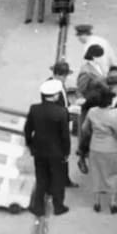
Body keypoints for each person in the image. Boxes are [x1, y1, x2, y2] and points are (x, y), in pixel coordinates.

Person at [24, 79, 72, 217]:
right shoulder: (62, 112)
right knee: (58, 179)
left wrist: (30, 144)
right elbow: (65, 135)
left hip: (39, 150)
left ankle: (38, 207)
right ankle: (58, 206)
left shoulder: (34, 109)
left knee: (41, 178)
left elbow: (28, 129)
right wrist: (66, 152)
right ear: (55, 96)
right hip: (57, 151)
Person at [80, 86, 117, 214]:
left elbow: (84, 128)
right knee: (112, 175)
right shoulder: (112, 116)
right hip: (109, 148)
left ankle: (97, 203)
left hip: (95, 147)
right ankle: (112, 204)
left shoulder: (92, 112)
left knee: (96, 174)